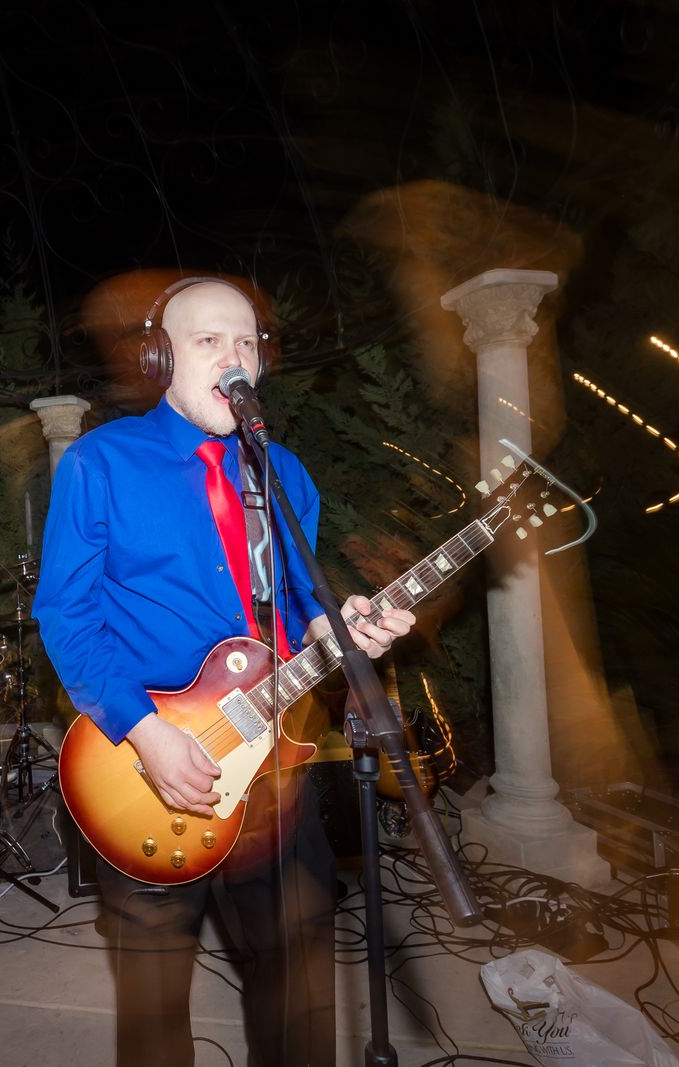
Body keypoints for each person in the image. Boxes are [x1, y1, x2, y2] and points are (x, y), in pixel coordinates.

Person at [33, 277, 415, 1066]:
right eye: (207, 341)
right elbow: (67, 617)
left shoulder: (284, 472)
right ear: (159, 357)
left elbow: (298, 608)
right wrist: (145, 733)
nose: (232, 357)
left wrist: (342, 629)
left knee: (300, 993)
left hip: (276, 772)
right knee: (154, 1014)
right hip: (146, 770)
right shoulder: (102, 463)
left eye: (246, 342)